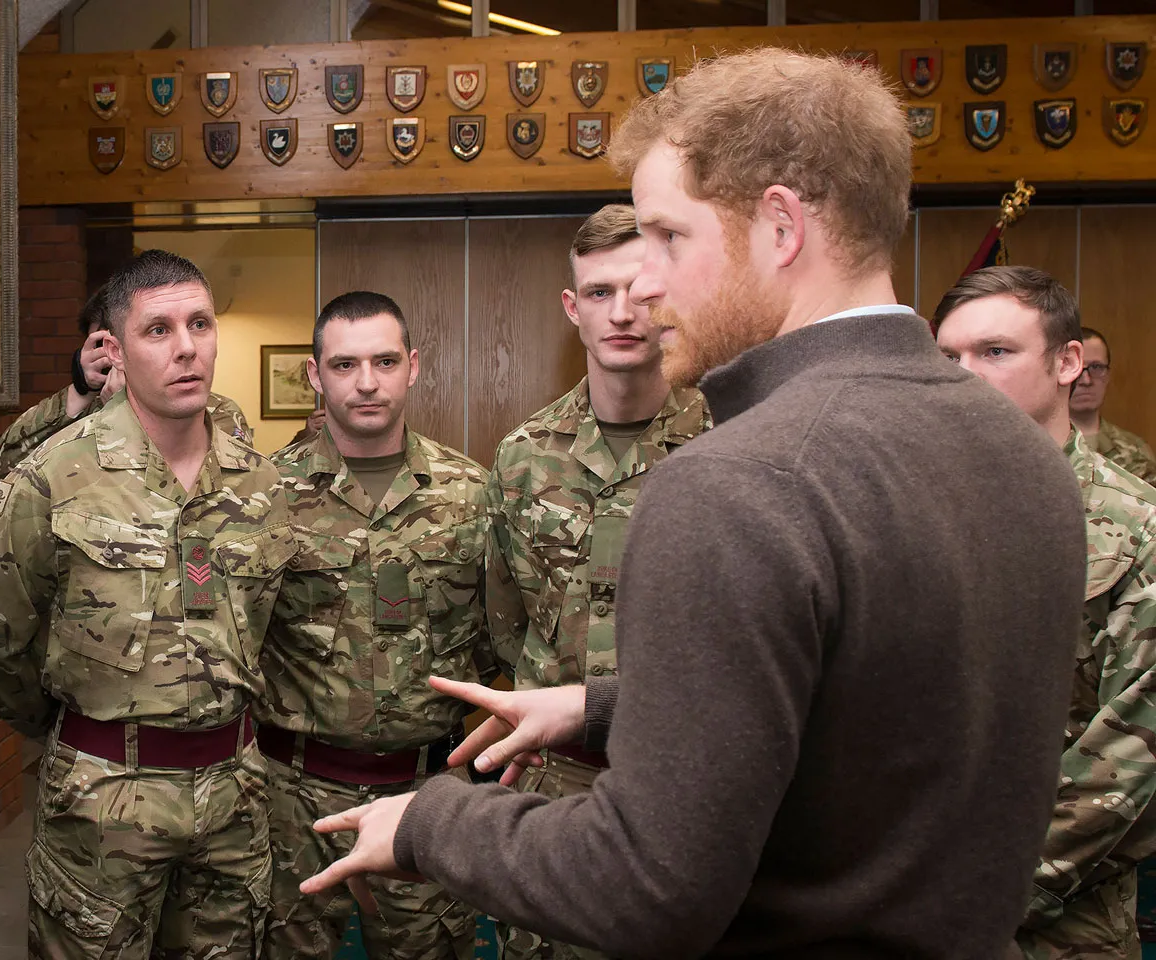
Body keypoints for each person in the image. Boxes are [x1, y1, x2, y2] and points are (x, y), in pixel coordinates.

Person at [303, 48, 1086, 957]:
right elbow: (875, 709)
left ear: (781, 228)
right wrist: (602, 709)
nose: (641, 284)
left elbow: (645, 887)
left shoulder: (740, 480)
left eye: (669, 238)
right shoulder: (1024, 458)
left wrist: (433, 823)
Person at [0, 250, 294, 959]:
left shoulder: (261, 483)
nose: (185, 348)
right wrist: (69, 720)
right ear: (117, 346)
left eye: (200, 324)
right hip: (100, 799)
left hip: (233, 798)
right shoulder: (54, 475)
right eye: (159, 329)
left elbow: (264, 630)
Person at [488, 204, 709, 960]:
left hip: (685, 783)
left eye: (644, 294)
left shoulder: (729, 444)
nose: (622, 314)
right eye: (600, 293)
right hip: (553, 790)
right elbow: (508, 625)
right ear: (572, 308)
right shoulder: (521, 458)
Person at [260, 291, 492, 960]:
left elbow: (495, 638)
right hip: (293, 799)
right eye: (345, 365)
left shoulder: (469, 493)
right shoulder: (265, 496)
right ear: (314, 375)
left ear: (414, 366)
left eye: (385, 362)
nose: (367, 383)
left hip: (427, 793)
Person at [933, 267, 1156, 960]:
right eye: (948, 359)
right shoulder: (905, 512)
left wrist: (982, 897)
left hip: (1062, 927)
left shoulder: (1137, 527)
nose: (964, 376)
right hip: (901, 909)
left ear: (1068, 363)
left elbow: (1136, 751)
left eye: (995, 352)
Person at [0, 282, 252, 483]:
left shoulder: (217, 412)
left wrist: (124, 410)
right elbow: (4, 469)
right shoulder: (80, 410)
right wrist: (80, 393)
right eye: (101, 345)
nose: (115, 356)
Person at [1072, 326, 1156, 485]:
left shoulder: (1136, 450)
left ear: (1108, 374)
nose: (1086, 380)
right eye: (1078, 368)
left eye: (1096, 367)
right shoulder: (1041, 448)